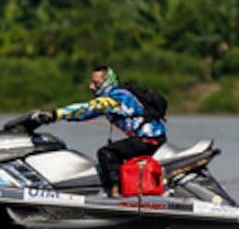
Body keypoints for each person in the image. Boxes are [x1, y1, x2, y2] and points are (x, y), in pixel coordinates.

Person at [24, 66, 166, 198]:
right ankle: (131, 189)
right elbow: (84, 114)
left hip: (147, 139)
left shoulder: (118, 97)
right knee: (119, 155)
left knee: (106, 153)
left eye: (95, 83)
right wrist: (53, 118)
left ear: (106, 82)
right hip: (150, 139)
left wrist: (56, 113)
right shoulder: (113, 98)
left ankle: (116, 192)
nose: (91, 86)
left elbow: (88, 108)